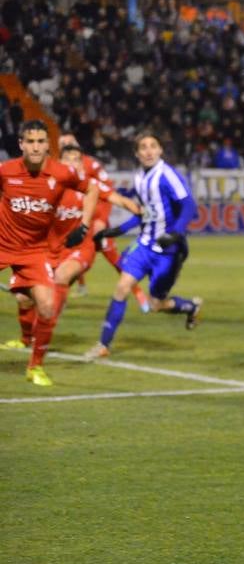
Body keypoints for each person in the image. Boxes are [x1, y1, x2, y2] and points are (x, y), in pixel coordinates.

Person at [82, 131, 202, 360]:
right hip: (145, 244)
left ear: (160, 150)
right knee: (121, 288)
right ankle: (103, 344)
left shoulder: (168, 175)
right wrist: (119, 230)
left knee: (156, 304)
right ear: (137, 154)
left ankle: (189, 307)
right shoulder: (138, 178)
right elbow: (145, 213)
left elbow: (188, 207)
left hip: (168, 252)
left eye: (152, 146)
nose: (148, 151)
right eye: (143, 147)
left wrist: (175, 233)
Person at [0, 121, 98, 385]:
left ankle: (35, 367)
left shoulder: (62, 172)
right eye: (30, 141)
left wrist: (85, 224)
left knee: (47, 305)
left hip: (34, 252)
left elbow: (92, 188)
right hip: (2, 245)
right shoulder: (6, 171)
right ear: (21, 144)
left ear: (48, 145)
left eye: (41, 141)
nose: (35, 146)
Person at [56, 136, 150, 311]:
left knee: (114, 259)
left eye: (76, 160)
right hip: (57, 246)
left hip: (88, 237)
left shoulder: (92, 176)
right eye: (66, 157)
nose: (72, 163)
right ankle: (58, 298)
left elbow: (119, 199)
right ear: (59, 159)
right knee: (30, 297)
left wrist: (147, 213)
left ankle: (138, 293)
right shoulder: (50, 183)